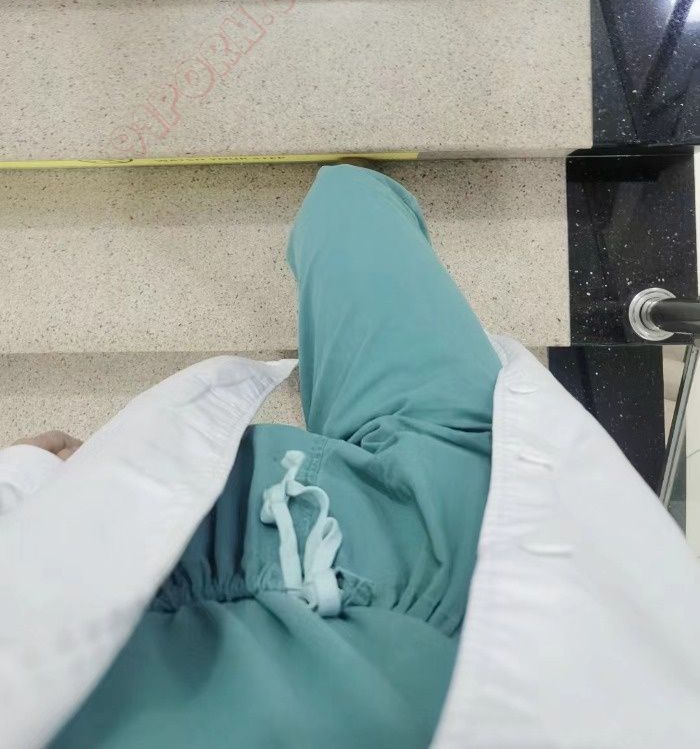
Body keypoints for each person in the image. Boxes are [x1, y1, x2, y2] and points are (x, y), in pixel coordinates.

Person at [1, 163, 700, 749]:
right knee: (349, 199)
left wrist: (30, 485)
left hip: (166, 557)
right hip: (482, 556)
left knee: (343, 200)